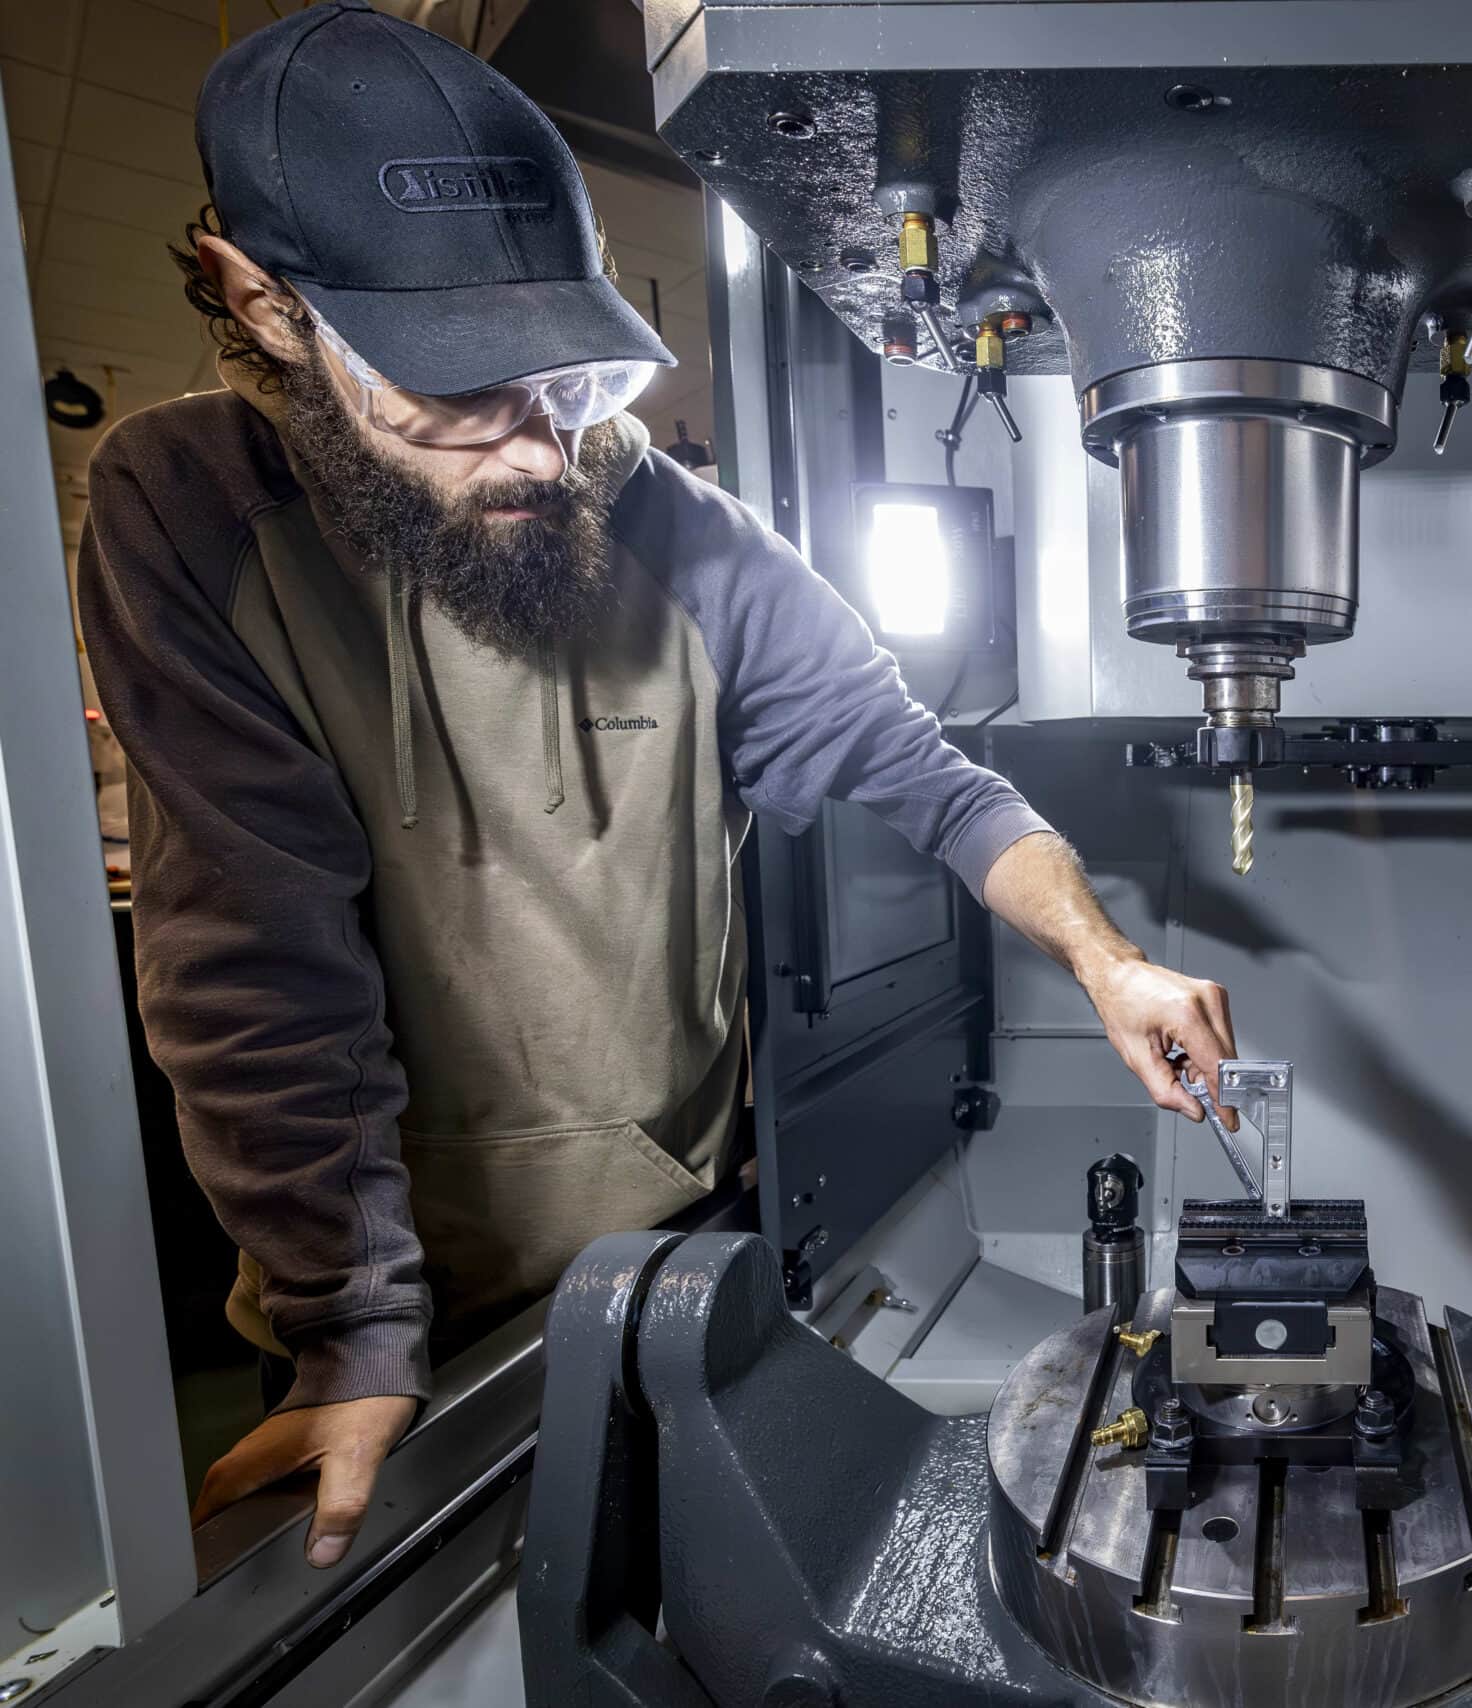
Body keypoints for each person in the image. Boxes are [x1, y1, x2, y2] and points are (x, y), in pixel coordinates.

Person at [77, 0, 1237, 1571]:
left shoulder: (665, 522)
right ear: (265, 306)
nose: (543, 451)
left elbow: (928, 777)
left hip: (681, 1247)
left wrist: (1103, 958)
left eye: (554, 379)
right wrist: (354, 1337)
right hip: (417, 1312)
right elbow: (259, 963)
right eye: (465, 391)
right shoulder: (184, 518)